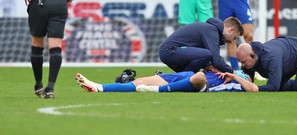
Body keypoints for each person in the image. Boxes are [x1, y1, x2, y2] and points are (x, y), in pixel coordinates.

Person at [159, 17, 244, 74]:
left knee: (191, 76)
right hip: (170, 51)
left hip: (171, 51)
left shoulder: (211, 29)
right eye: (234, 37)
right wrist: (234, 72)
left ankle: (161, 77)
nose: (232, 41)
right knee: (206, 55)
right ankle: (182, 78)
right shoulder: (211, 30)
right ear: (231, 30)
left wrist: (208, 66)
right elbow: (216, 59)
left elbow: (198, 52)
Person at [75, 69, 258, 93]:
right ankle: (98, 87)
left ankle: (157, 91)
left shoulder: (239, 83)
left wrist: (234, 76)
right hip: (187, 74)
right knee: (141, 80)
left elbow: (254, 90)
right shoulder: (229, 69)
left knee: (199, 78)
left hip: (203, 84)